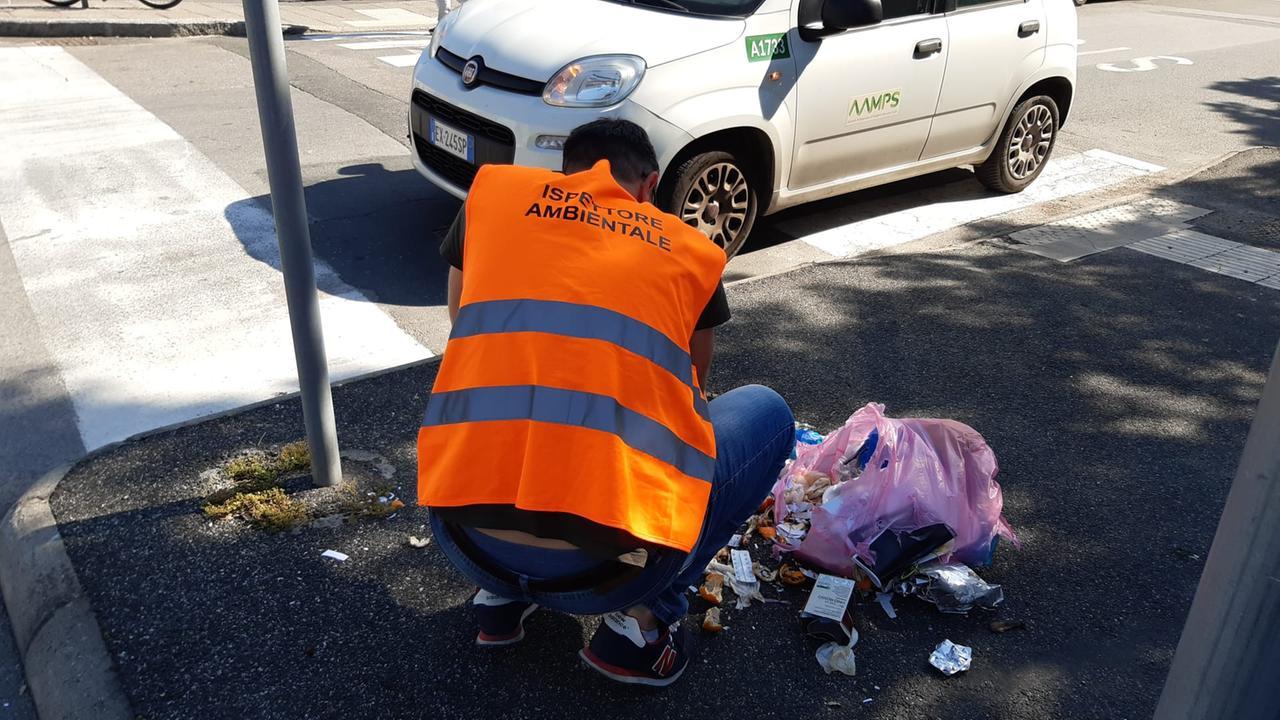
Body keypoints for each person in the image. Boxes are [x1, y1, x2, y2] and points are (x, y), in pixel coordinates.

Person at [418, 118, 794, 687]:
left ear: (565, 172)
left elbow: (461, 321)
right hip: (608, 574)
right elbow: (694, 383)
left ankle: (499, 599)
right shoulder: (687, 249)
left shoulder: (493, 198)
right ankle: (639, 629)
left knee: (512, 413)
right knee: (767, 413)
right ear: (651, 184)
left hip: (466, 540)